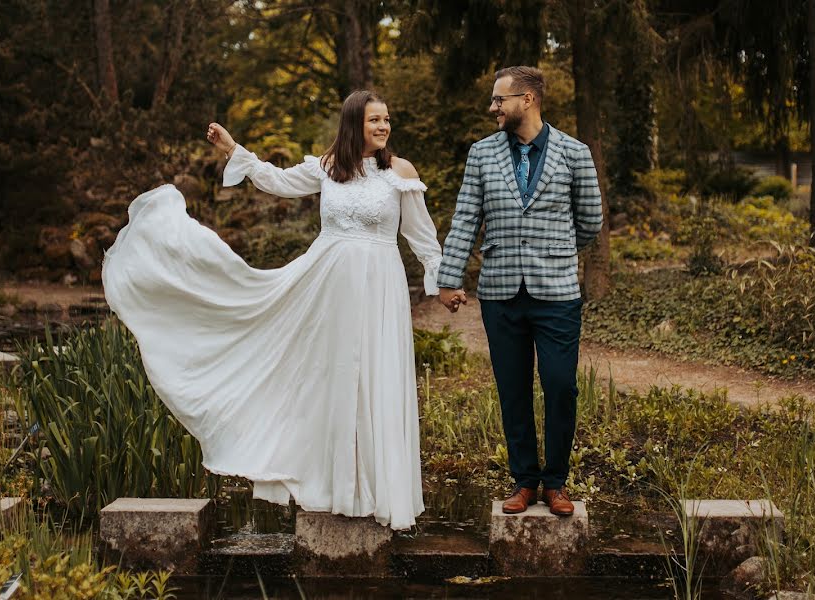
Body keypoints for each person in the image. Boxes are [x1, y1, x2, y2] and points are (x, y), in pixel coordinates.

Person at [102, 91, 442, 530]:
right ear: (353, 123)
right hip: (327, 286)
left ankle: (377, 490)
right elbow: (276, 180)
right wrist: (234, 151)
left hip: (381, 286)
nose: (383, 127)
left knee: (376, 375)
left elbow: (421, 233)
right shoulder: (328, 166)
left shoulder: (399, 172)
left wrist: (442, 279)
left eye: (387, 119)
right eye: (374, 119)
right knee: (333, 377)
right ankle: (336, 486)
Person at [437, 66, 603, 516]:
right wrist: (449, 277)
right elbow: (466, 217)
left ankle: (556, 483)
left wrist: (556, 251)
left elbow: (590, 220)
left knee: (560, 385)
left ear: (527, 100)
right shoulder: (482, 154)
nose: (493, 107)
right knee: (512, 389)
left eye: (499, 100)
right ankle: (524, 481)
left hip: (557, 293)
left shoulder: (574, 152)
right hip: (501, 292)